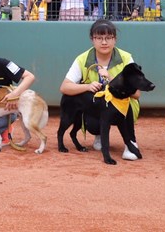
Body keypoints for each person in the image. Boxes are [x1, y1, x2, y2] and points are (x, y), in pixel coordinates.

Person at [59, 19, 140, 151]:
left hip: (123, 107)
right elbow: (64, 87)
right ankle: (99, 135)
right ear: (92, 39)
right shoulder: (82, 59)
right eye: (99, 38)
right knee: (92, 118)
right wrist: (87, 86)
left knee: (126, 107)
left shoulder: (126, 58)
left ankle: (130, 141)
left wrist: (111, 78)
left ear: (115, 39)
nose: (104, 42)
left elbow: (136, 94)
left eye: (108, 38)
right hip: (100, 107)